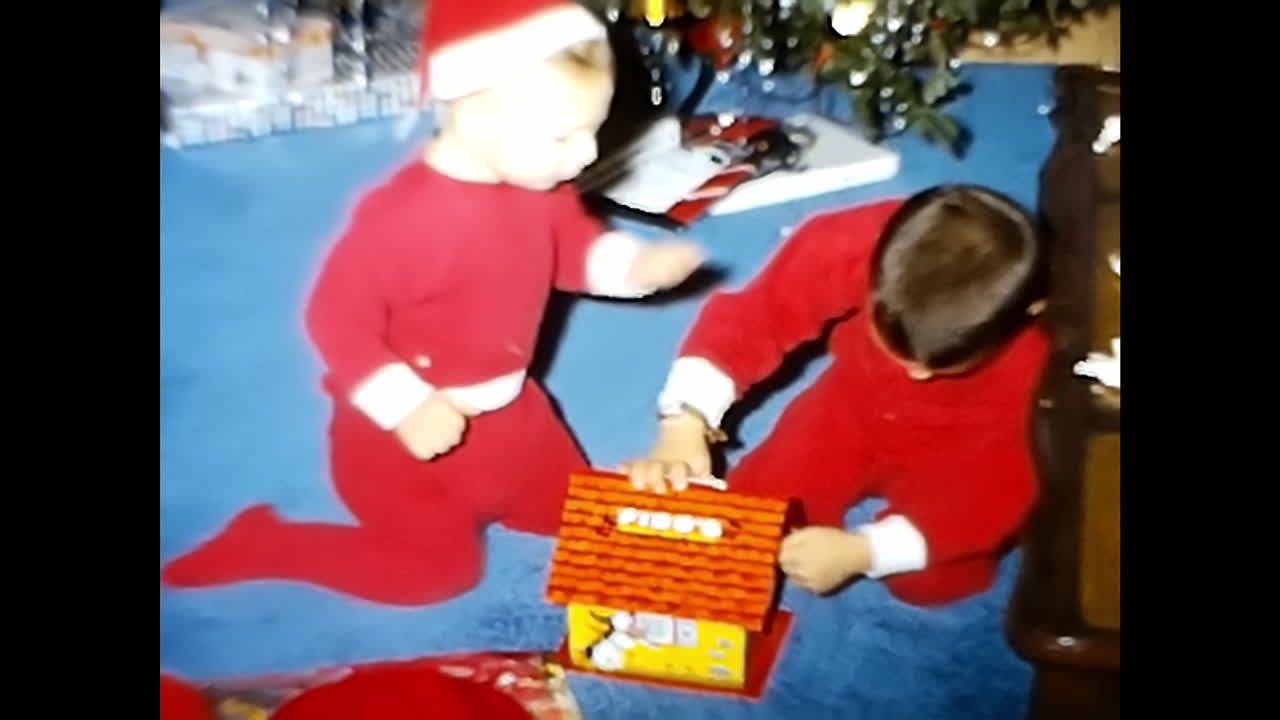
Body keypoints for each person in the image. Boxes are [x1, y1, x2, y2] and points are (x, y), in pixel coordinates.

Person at [161, 0, 704, 605]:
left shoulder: (539, 186)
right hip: (400, 449)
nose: (583, 156)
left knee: (590, 519)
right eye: (563, 135)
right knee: (437, 574)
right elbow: (334, 317)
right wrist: (406, 405)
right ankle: (269, 542)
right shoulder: (405, 219)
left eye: (592, 131)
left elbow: (573, 249)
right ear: (470, 107)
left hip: (513, 416)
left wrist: (633, 266)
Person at [622, 185, 1048, 606]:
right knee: (755, 515)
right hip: (851, 406)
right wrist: (685, 419)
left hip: (962, 451)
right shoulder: (858, 241)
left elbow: (998, 487)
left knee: (930, 582)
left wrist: (867, 550)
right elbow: (756, 315)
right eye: (895, 348)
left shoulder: (1040, 364)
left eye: (939, 364)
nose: (915, 374)